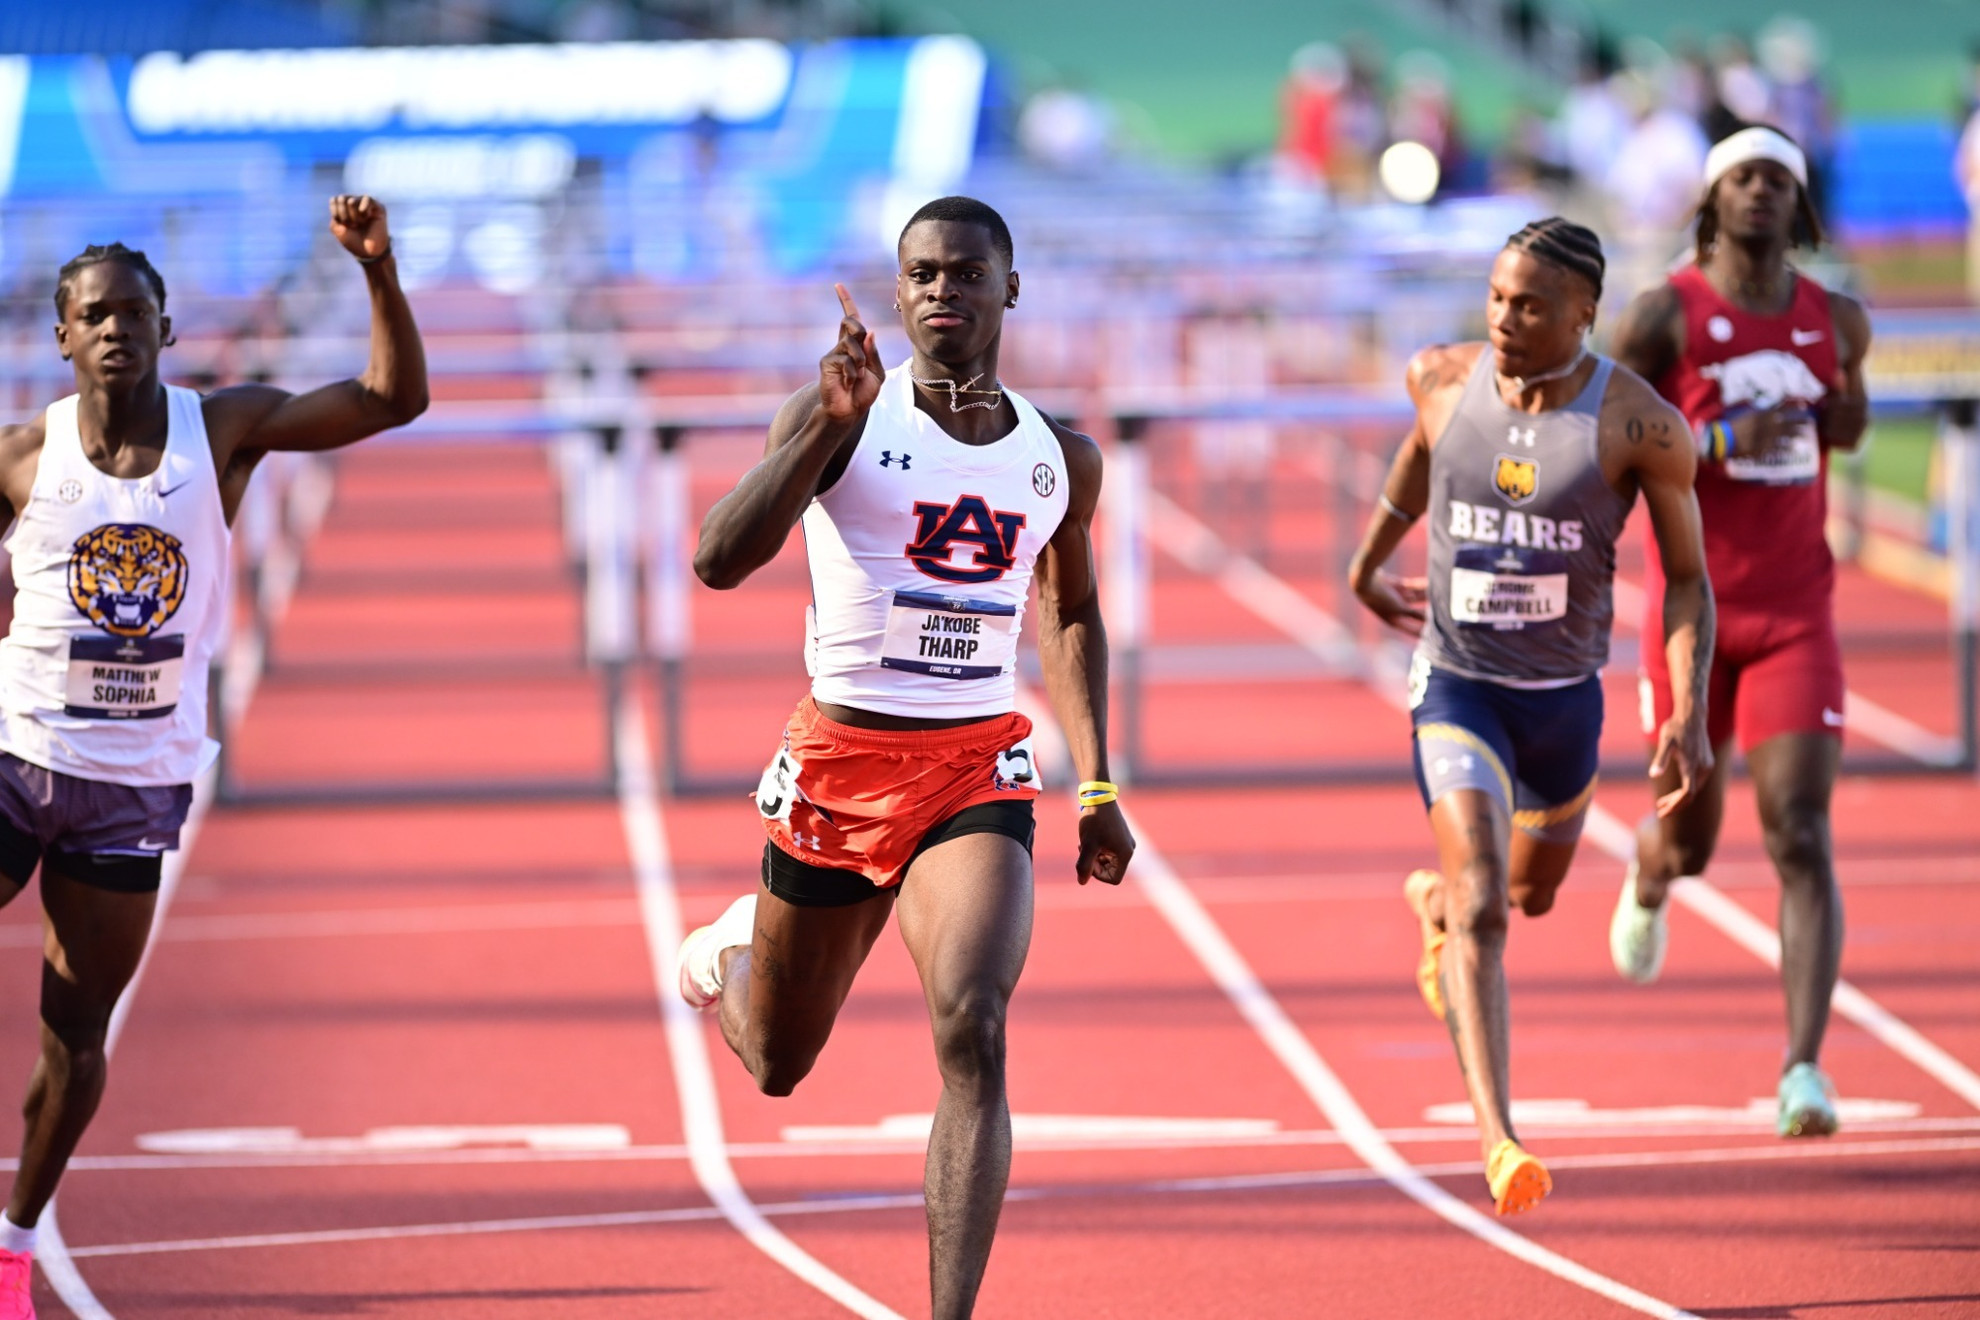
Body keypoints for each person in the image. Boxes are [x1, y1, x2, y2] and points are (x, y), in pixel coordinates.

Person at [680, 195, 1133, 1319]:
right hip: (842, 762)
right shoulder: (845, 410)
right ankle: (732, 948)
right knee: (781, 1063)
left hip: (975, 766)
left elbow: (1070, 615)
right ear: (898, 293)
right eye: (923, 275)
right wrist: (824, 431)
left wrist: (1100, 783)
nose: (944, 293)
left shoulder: (1056, 458)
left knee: (973, 1023)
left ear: (1009, 289)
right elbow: (718, 559)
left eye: (968, 274)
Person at [0, 196, 425, 1312]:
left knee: (75, 1039)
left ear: (167, 325)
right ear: (61, 335)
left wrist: (378, 274)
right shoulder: (22, 455)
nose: (113, 330)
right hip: (16, 753)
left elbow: (393, 399)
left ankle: (11, 1249)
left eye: (132, 312)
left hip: (134, 784)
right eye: (91, 315)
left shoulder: (220, 429)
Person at [1349, 217, 1714, 1215]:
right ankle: (1500, 1140)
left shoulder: (1639, 425)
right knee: (1486, 911)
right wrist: (1370, 557)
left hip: (1562, 703)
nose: (1507, 319)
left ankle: (1437, 910)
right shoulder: (1439, 375)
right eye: (1499, 299)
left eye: (1533, 306)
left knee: (1528, 897)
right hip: (1458, 686)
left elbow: (1687, 583)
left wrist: (1686, 708)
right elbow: (1418, 463)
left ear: (1583, 316)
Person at [1607, 127, 1871, 1137]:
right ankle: (1650, 867)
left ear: (1798, 207)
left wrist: (1839, 420)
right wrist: (1717, 438)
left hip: (1799, 610)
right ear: (1712, 201)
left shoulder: (1835, 318)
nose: (1761, 192)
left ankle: (1803, 1069)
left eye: (1779, 180)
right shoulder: (1665, 314)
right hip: (1691, 613)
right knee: (1694, 841)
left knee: (1801, 831)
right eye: (1743, 177)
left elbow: (1849, 423)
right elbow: (1605, 441)